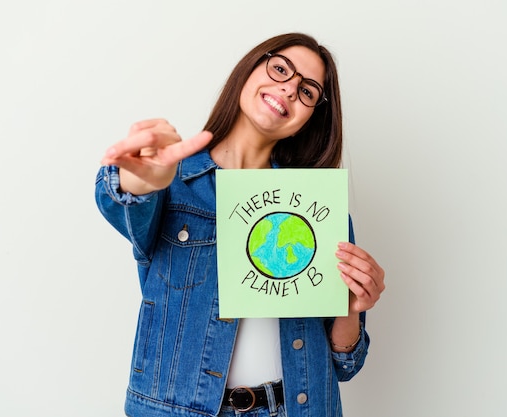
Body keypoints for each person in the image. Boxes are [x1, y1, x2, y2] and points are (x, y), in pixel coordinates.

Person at [95, 32, 385, 417]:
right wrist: (139, 178)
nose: (288, 89)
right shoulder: (173, 180)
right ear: (249, 71)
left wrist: (351, 307)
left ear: (309, 119)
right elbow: (123, 202)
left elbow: (345, 366)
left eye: (308, 92)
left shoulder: (320, 211)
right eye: (280, 69)